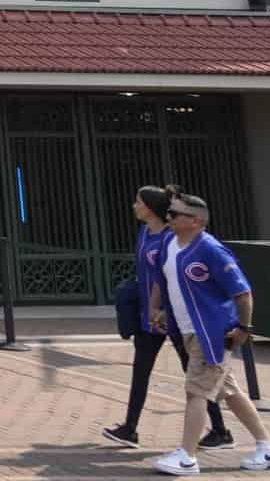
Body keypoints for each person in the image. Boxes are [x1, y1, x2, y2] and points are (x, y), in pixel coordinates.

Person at [148, 194, 270, 476]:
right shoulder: (169, 245)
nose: (170, 217)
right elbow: (167, 282)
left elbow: (242, 292)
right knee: (229, 391)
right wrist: (160, 309)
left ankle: (187, 456)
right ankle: (268, 446)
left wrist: (244, 328)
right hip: (187, 329)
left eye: (176, 214)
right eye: (170, 212)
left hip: (211, 333)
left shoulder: (211, 250)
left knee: (196, 391)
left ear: (197, 221)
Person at [104, 184, 229, 450]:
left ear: (150, 207)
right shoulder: (144, 232)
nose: (134, 206)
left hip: (173, 317)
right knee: (140, 371)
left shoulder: (170, 238)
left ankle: (220, 430)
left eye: (138, 202)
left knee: (194, 373)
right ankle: (130, 428)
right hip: (148, 315)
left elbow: (169, 275)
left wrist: (163, 308)